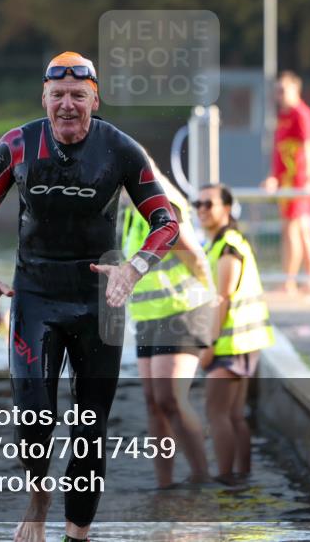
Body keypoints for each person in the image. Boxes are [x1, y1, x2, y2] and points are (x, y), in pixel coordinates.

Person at [0, 51, 179, 542]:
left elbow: (166, 223)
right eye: (57, 95)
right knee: (33, 415)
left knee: (90, 427)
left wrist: (134, 268)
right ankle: (39, 496)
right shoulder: (17, 144)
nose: (67, 105)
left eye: (77, 96)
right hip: (36, 296)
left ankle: (77, 535)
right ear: (43, 97)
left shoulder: (121, 150)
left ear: (94, 99)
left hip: (99, 303)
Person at [121, 159, 213, 488]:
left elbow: (195, 258)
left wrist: (211, 304)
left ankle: (202, 479)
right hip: (149, 317)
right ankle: (165, 486)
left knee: (170, 399)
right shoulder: (130, 214)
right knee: (154, 403)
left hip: (181, 311)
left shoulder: (163, 206)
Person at [194, 183, 274, 484]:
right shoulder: (220, 243)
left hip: (231, 343)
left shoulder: (228, 246)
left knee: (217, 415)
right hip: (242, 342)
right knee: (235, 415)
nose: (201, 209)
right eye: (197, 203)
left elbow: (223, 298)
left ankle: (225, 481)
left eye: (208, 204)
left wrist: (209, 345)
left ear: (226, 209)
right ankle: (241, 478)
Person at [262, 71, 310, 295]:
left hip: (299, 181)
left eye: (282, 90)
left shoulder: (301, 114)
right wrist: (273, 177)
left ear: (295, 90)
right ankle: (305, 281)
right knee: (298, 230)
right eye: (277, 91)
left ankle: (292, 281)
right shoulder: (282, 116)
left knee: (294, 230)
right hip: (287, 182)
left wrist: (308, 179)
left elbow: (309, 148)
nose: (278, 95)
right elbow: (278, 153)